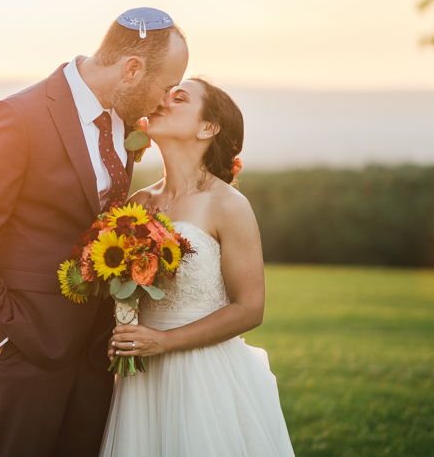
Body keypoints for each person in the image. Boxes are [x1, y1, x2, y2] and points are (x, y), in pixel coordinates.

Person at [0, 8, 189, 457]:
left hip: (95, 351)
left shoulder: (125, 122)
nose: (164, 100)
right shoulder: (17, 116)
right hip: (26, 347)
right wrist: (0, 334)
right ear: (131, 69)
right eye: (165, 86)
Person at [100, 78, 296, 456]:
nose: (163, 101)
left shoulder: (228, 204)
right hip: (141, 377)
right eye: (166, 94)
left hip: (201, 376)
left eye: (180, 98)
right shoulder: (140, 201)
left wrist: (164, 341)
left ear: (208, 128)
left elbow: (249, 308)